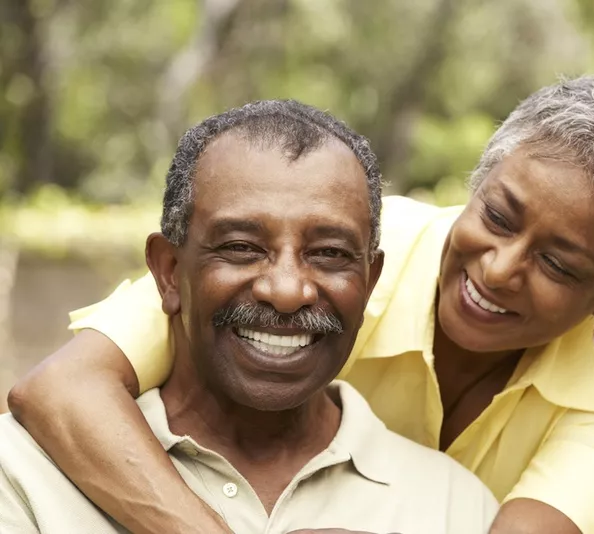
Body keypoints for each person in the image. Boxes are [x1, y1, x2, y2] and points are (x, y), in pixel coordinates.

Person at [9, 75, 594, 534]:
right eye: (496, 215)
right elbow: (64, 388)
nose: (500, 268)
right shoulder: (332, 237)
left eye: (558, 264)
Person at [0, 100, 499, 534]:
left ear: (370, 281)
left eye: (328, 253)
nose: (286, 291)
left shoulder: (457, 508)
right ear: (170, 272)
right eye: (240, 248)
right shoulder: (23, 474)